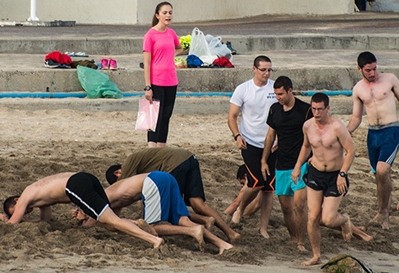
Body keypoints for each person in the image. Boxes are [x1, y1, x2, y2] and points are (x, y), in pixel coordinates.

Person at [347, 51, 399, 230]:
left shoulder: (390, 79)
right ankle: (382, 211)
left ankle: (384, 213)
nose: (372, 73)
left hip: (391, 130)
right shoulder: (358, 89)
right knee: (380, 176)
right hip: (372, 134)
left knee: (383, 169)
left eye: (375, 68)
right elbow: (356, 117)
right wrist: (345, 134)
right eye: (368, 70)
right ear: (359, 69)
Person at [293, 93, 371, 266]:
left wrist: (342, 174)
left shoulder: (337, 127)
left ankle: (344, 220)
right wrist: (298, 166)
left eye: (320, 109)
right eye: (314, 109)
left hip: (335, 175)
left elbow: (351, 151)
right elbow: (306, 146)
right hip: (315, 173)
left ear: (327, 108)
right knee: (313, 217)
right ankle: (316, 255)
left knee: (327, 220)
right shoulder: (307, 126)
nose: (317, 112)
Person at [105, 147, 240, 242]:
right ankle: (230, 232)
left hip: (174, 164)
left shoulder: (128, 164)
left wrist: (142, 219)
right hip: (188, 157)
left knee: (172, 209)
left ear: (117, 173)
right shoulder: (137, 161)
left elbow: (134, 195)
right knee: (198, 204)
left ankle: (201, 226)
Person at [0, 172, 164, 249]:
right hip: (84, 177)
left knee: (111, 220)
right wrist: (27, 221)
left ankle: (153, 240)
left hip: (74, 185)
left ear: (16, 200)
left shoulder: (25, 195)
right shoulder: (37, 196)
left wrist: (6, 220)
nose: (23, 213)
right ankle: (137, 224)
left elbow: (13, 224)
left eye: (17, 210)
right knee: (106, 221)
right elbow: (46, 221)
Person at [98, 171, 234, 254]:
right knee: (183, 220)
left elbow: (100, 217)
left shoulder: (103, 196)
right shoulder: (111, 195)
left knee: (152, 226)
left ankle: (192, 231)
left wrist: (82, 217)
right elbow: (114, 221)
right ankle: (222, 244)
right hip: (164, 177)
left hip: (153, 182)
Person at [228, 55, 278, 238]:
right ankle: (239, 209)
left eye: (269, 70)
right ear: (254, 69)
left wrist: (279, 136)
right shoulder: (243, 89)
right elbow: (232, 116)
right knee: (256, 182)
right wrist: (237, 135)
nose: (266, 73)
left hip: (271, 144)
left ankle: (263, 227)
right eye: (263, 69)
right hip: (249, 142)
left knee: (268, 188)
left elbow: (285, 111)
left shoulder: (275, 88)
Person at [261, 76, 311, 252]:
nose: (278, 97)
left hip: (301, 163)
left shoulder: (305, 110)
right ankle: (293, 236)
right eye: (275, 94)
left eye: (281, 94)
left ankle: (301, 242)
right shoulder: (275, 109)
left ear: (290, 90)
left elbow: (313, 135)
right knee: (285, 207)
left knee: (299, 205)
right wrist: (264, 160)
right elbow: (270, 136)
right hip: (281, 164)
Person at [143, 2, 180, 147]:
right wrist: (148, 86)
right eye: (165, 13)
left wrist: (170, 56)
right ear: (157, 15)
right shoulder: (150, 35)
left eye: (170, 12)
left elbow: (179, 47)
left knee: (166, 116)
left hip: (171, 81)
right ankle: (151, 149)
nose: (168, 15)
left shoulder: (171, 33)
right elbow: (146, 63)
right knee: (154, 117)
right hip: (156, 81)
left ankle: (161, 148)